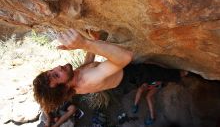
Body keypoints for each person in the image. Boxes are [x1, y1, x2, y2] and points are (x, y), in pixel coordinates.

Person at [33, 28, 186, 114]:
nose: (57, 68)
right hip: (129, 76)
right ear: (64, 87)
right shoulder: (88, 81)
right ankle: (181, 74)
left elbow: (86, 65)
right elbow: (125, 57)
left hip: (115, 75)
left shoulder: (72, 81)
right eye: (56, 75)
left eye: (51, 71)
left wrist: (95, 40)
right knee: (155, 71)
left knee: (152, 65)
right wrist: (85, 43)